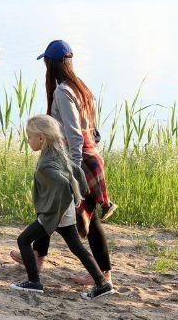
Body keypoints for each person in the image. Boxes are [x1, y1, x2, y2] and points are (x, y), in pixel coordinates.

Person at [10, 40, 116, 286]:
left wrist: (73, 169)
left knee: (87, 218)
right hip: (88, 155)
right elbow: (93, 130)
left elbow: (74, 134)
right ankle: (37, 257)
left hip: (78, 160)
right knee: (53, 206)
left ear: (51, 64)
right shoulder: (81, 88)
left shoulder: (62, 92)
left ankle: (103, 275)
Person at [10, 114, 116, 299]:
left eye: (29, 137)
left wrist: (66, 200)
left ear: (41, 138)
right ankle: (102, 283)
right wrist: (79, 194)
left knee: (24, 241)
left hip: (54, 213)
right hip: (65, 212)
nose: (28, 141)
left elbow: (60, 183)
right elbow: (77, 170)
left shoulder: (46, 165)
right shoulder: (58, 152)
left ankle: (34, 282)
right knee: (77, 248)